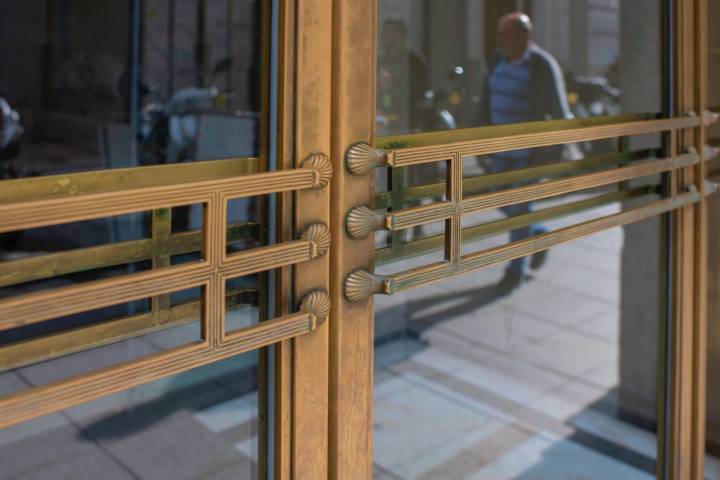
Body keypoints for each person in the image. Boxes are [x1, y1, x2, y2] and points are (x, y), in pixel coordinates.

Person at [478, 12, 573, 295]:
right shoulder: (498, 59)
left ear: (523, 36)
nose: (500, 40)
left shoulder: (542, 65)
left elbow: (559, 113)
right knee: (498, 197)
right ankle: (539, 235)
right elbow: (486, 99)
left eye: (505, 34)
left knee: (518, 211)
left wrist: (551, 152)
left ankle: (513, 272)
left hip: (527, 155)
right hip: (499, 149)